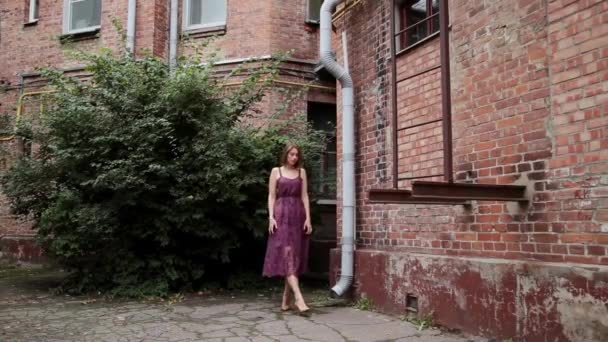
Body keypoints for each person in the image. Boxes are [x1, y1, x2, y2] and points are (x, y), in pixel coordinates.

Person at [262, 143, 313, 316]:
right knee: (287, 254)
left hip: (297, 215)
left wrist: (308, 218)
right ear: (286, 155)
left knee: (293, 256)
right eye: (291, 154)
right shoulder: (276, 171)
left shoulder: (302, 172)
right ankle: (299, 297)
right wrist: (271, 217)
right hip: (281, 215)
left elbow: (305, 195)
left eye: (297, 155)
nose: (294, 157)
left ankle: (285, 300)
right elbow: (271, 195)